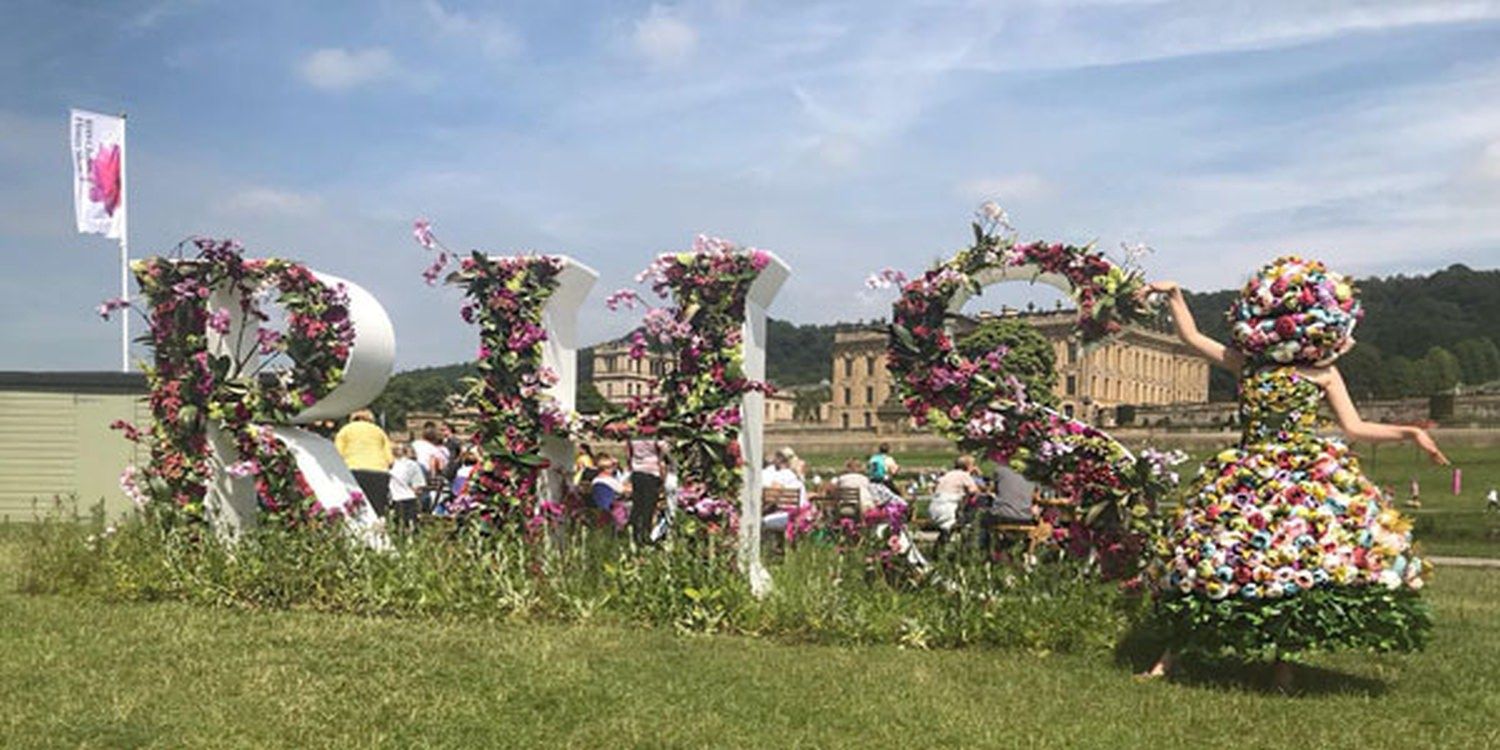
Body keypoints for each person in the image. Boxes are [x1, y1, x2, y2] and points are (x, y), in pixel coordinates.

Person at [1139, 259, 1446, 689]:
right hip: (1249, 471)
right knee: (1213, 558)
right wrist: (1174, 296)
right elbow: (1191, 338)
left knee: (1294, 561)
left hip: (1303, 474)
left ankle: (1282, 663)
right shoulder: (1248, 364)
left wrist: (1410, 432)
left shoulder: (1323, 373)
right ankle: (1171, 658)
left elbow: (1355, 428)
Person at [334, 409, 394, 518]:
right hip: (379, 472)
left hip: (353, 471)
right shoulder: (380, 432)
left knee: (355, 510)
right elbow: (390, 460)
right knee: (377, 510)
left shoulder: (345, 430)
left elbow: (337, 455)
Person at [626, 432, 667, 545]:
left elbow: (628, 455)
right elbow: (663, 454)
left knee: (638, 504)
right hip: (652, 472)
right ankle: (645, 534)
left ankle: (635, 532)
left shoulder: (633, 437)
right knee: (649, 505)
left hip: (637, 471)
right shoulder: (656, 437)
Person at [928, 454, 981, 541]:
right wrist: (977, 476)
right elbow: (974, 491)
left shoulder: (948, 474)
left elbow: (935, 487)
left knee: (947, 533)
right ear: (969, 466)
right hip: (947, 509)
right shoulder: (964, 475)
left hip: (934, 507)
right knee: (967, 523)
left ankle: (940, 548)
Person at [762, 447, 809, 533]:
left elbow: (772, 495)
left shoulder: (782, 474)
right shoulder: (795, 475)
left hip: (791, 516)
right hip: (803, 514)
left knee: (762, 522)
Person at [387, 442, 426, 529]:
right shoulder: (412, 465)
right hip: (405, 500)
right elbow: (418, 487)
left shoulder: (390, 464)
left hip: (395, 500)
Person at [589, 454, 631, 530]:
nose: (614, 468)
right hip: (611, 507)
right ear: (606, 469)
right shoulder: (609, 480)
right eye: (612, 466)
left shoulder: (595, 480)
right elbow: (622, 490)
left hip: (598, 506)